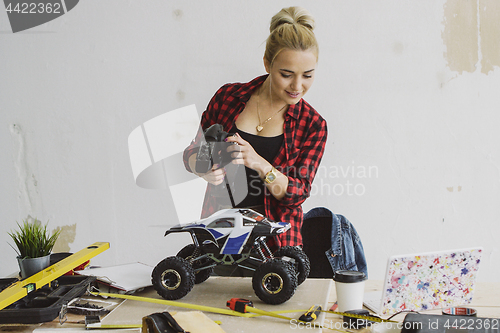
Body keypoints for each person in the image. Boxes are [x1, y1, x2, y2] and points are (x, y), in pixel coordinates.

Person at [183, 6, 327, 250]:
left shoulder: (313, 125)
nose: (297, 85)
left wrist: (259, 163)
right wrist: (203, 169)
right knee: (212, 289)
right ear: (267, 64)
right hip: (220, 229)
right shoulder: (228, 97)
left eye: (308, 75)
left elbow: (297, 193)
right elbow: (192, 152)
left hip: (276, 239)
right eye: (286, 74)